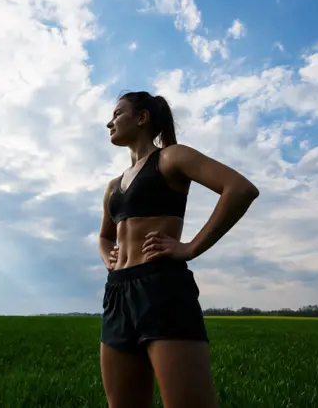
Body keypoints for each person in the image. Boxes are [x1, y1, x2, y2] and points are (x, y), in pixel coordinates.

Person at [98, 91, 260, 408]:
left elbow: (239, 189)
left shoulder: (172, 158)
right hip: (118, 294)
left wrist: (190, 248)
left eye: (118, 113)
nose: (109, 122)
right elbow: (105, 237)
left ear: (142, 118)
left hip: (162, 288)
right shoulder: (113, 186)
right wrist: (109, 256)